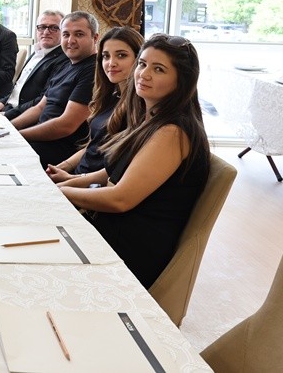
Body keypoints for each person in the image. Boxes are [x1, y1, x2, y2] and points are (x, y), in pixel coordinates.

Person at [59, 34, 211, 288]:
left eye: (158, 69)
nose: (144, 74)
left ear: (182, 80)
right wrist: (68, 182)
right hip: (113, 228)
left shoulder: (173, 131)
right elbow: (114, 171)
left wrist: (61, 193)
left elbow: (120, 199)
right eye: (142, 64)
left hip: (129, 249)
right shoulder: (150, 117)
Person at [46, 26, 144, 183]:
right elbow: (93, 146)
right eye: (106, 56)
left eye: (121, 55)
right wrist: (62, 167)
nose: (111, 63)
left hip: (95, 187)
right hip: (78, 176)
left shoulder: (139, 107)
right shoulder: (111, 96)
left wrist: (71, 179)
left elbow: (119, 169)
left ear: (139, 60)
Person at [11, 11, 98, 166]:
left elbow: (66, 125)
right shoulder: (66, 64)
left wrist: (17, 135)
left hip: (59, 150)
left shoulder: (93, 71)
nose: (71, 40)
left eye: (79, 34)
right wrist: (9, 127)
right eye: (66, 34)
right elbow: (39, 108)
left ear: (95, 38)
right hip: (40, 139)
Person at [0, 10, 70, 119]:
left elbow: (42, 101)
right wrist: (3, 102)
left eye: (54, 28)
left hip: (24, 117)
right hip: (8, 107)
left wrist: (7, 114)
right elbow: (19, 86)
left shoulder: (63, 61)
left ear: (63, 31)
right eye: (42, 27)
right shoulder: (37, 51)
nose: (46, 32)